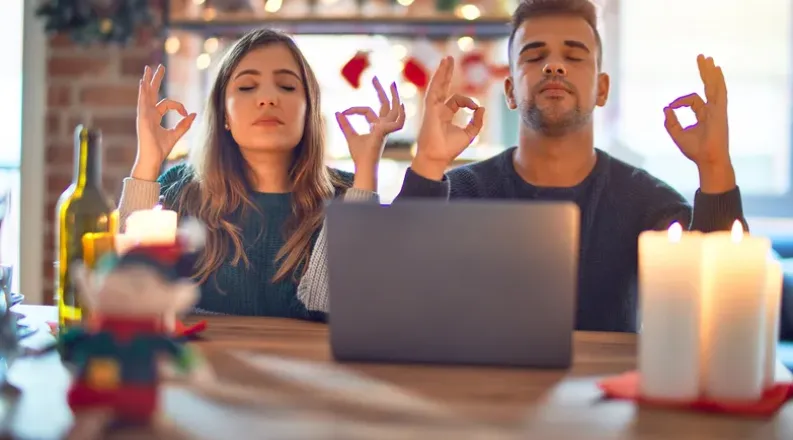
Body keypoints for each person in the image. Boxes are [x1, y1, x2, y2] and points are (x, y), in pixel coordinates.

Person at [396, 0, 748, 333]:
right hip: (481, 395)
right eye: (534, 56)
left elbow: (723, 308)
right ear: (510, 91)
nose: (554, 66)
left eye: (574, 56)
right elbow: (394, 293)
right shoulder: (459, 192)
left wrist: (715, 166)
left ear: (602, 89)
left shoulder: (648, 202)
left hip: (607, 395)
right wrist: (427, 165)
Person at [118, 28, 405, 320]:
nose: (268, 98)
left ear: (310, 110)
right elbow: (124, 291)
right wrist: (148, 164)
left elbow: (337, 309)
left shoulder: (349, 195)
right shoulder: (180, 190)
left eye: (287, 86)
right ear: (224, 114)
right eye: (246, 87)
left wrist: (366, 173)